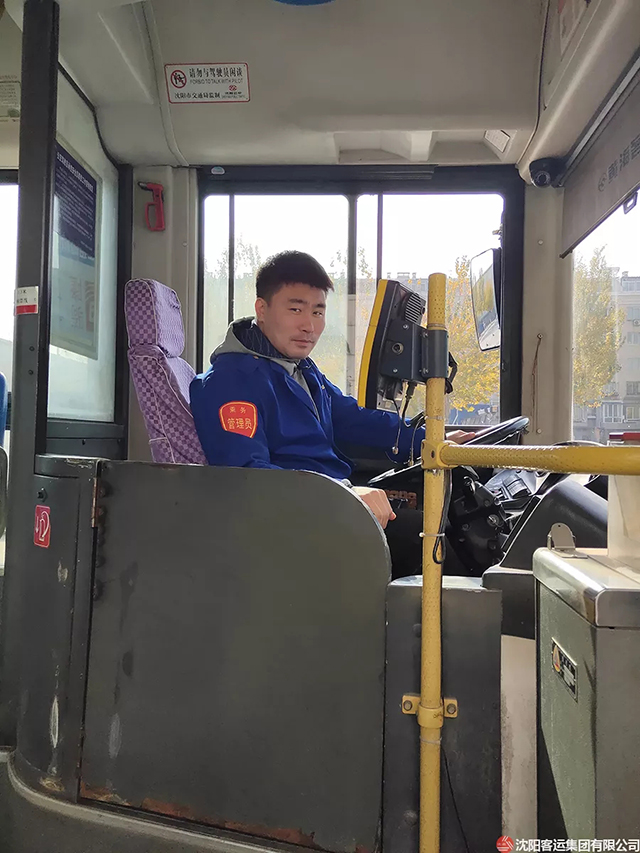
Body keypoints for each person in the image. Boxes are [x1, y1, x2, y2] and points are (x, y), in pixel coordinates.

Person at [190, 250, 469, 530]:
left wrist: (431, 439)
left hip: (331, 501)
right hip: (294, 523)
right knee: (437, 533)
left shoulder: (300, 369)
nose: (309, 326)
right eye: (296, 310)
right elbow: (249, 479)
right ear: (262, 309)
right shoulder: (229, 383)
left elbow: (354, 419)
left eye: (318, 312)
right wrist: (346, 494)